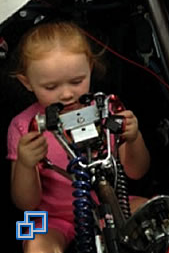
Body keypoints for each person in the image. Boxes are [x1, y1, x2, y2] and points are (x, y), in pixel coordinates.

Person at [6, 21, 151, 253]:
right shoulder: (24, 126)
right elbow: (25, 204)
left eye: (76, 81)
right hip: (48, 216)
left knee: (150, 213)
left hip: (108, 205)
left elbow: (137, 171)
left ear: (90, 68)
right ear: (27, 82)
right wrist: (25, 163)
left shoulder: (108, 109)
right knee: (32, 242)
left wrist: (133, 138)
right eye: (50, 87)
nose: (66, 94)